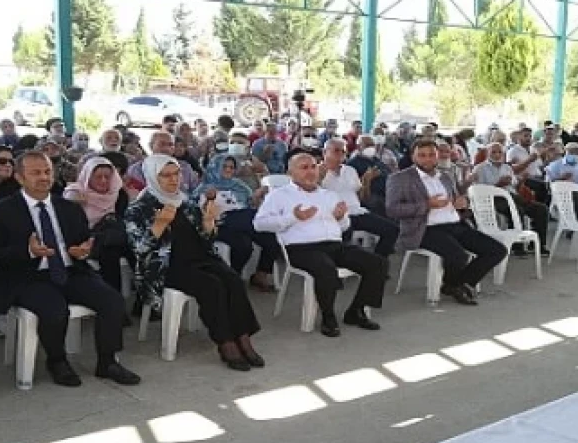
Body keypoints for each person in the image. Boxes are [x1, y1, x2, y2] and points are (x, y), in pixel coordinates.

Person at [0, 151, 139, 388]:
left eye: (47, 172)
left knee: (111, 300)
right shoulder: (1, 210)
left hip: (70, 270)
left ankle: (108, 361)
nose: (43, 177)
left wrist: (82, 250)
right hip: (27, 277)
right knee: (54, 309)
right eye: (36, 173)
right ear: (20, 178)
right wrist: (28, 252)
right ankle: (57, 360)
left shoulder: (68, 207)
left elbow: (83, 241)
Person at [125, 155, 264, 369]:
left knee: (233, 280)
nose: (173, 180)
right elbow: (140, 249)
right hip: (166, 266)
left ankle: (243, 337)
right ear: (152, 177)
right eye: (165, 175)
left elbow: (206, 240)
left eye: (176, 174)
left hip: (200, 257)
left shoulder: (185, 201)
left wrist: (209, 223)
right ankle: (225, 342)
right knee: (212, 286)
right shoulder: (139, 209)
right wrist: (159, 225)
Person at [255, 155, 387, 337]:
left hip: (333, 245)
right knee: (325, 267)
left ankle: (356, 311)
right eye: (304, 167)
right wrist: (292, 217)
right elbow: (259, 224)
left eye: (313, 167)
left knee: (377, 263)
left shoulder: (329, 195)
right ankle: (328, 315)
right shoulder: (279, 195)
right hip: (301, 248)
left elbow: (344, 227)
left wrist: (341, 218)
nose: (310, 171)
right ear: (291, 172)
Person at [386, 139, 507, 306]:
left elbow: (456, 198)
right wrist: (427, 205)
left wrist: (462, 204)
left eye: (431, 155)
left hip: (455, 224)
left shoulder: (445, 176)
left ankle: (457, 284)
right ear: (413, 157)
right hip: (425, 228)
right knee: (458, 256)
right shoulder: (400, 178)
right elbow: (392, 210)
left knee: (497, 250)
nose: (428, 159)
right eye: (422, 155)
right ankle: (456, 286)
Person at [199, 153, 280, 292]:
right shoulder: (205, 187)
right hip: (220, 224)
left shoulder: (240, 186)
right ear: (215, 167)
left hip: (243, 224)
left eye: (232, 167)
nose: (229, 170)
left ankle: (260, 274)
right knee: (248, 232)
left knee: (269, 238)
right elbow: (200, 213)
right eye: (224, 166)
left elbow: (252, 203)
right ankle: (233, 277)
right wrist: (209, 199)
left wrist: (257, 197)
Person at [319, 139, 398, 257]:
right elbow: (311, 197)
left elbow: (363, 199)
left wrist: (366, 181)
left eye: (343, 152)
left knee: (392, 230)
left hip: (357, 212)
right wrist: (319, 179)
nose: (340, 154)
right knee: (345, 242)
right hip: (335, 216)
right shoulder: (316, 171)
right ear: (324, 152)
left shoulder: (350, 170)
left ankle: (378, 260)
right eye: (336, 151)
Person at [64, 156, 130, 293]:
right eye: (98, 177)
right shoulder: (77, 191)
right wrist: (76, 200)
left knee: (119, 244)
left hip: (111, 239)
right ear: (88, 176)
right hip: (85, 240)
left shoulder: (118, 194)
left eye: (107, 177)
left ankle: (138, 300)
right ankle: (115, 301)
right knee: (110, 251)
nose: (103, 181)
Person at [472, 142, 550, 255]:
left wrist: (522, 180)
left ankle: (538, 244)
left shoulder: (507, 167)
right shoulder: (480, 168)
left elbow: (515, 186)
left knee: (541, 209)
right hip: (493, 199)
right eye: (493, 152)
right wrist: (498, 184)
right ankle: (517, 245)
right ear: (487, 153)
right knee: (517, 210)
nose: (497, 155)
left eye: (500, 152)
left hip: (512, 196)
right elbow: (478, 191)